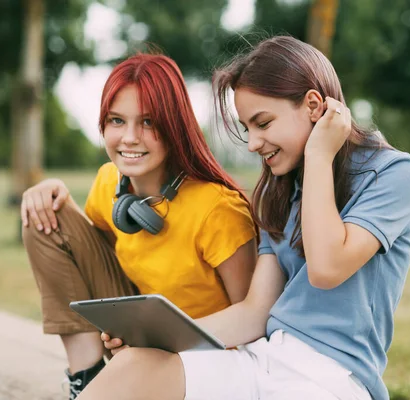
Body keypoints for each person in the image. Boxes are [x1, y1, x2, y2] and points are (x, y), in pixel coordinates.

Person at [78, 35, 410, 400]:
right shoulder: (281, 190)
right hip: (264, 361)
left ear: (312, 105)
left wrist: (321, 155)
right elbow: (255, 312)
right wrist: (152, 341)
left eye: (263, 123)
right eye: (248, 128)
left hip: (333, 378)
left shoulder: (393, 173)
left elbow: (326, 268)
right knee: (135, 367)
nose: (253, 143)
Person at [21, 53, 257, 399]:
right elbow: (86, 263)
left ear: (175, 125)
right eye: (117, 121)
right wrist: (53, 196)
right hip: (139, 333)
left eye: (148, 122)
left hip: (203, 360)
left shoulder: (218, 210)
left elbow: (253, 319)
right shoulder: (108, 183)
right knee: (44, 219)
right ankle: (86, 376)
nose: (130, 137)